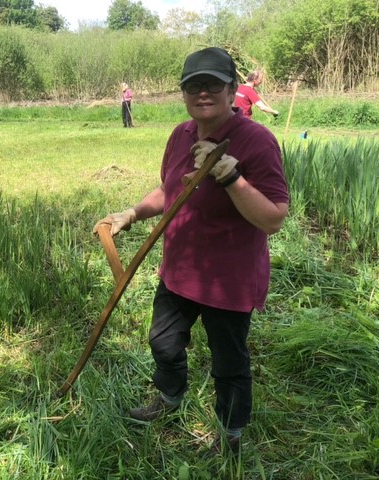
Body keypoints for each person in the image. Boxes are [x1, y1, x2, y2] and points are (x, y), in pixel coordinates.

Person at [93, 47, 289, 454]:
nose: (203, 93)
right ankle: (169, 398)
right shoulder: (181, 134)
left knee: (228, 364)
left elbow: (272, 218)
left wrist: (231, 176)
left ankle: (231, 435)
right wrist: (132, 212)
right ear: (183, 93)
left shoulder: (258, 141)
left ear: (233, 89)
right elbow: (170, 191)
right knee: (163, 342)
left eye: (213, 85)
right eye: (193, 86)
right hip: (179, 270)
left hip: (229, 281)